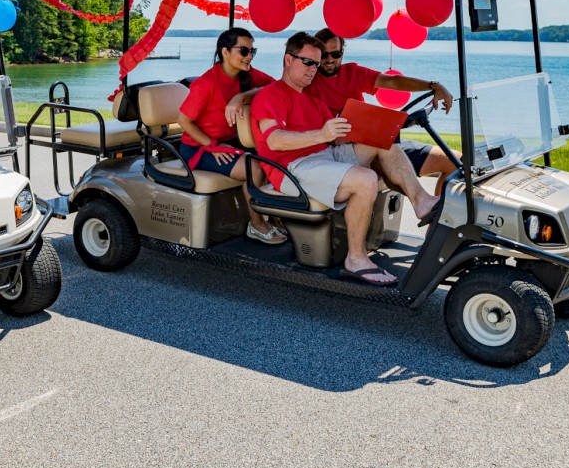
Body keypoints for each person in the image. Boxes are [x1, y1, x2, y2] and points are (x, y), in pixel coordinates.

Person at [250, 32, 441, 287]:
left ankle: (422, 201)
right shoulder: (272, 95)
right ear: (288, 59)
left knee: (382, 140)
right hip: (291, 168)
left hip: (322, 157)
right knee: (366, 179)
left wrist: (378, 126)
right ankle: (356, 259)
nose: (313, 69)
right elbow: (274, 140)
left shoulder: (310, 99)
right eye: (308, 62)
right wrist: (321, 134)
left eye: (316, 65)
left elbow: (334, 139)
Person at [308, 28, 459, 193]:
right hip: (349, 152)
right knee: (386, 157)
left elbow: (392, 82)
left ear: (342, 53)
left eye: (335, 54)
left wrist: (434, 86)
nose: (329, 60)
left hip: (378, 143)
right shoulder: (306, 82)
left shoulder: (352, 72)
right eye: (324, 55)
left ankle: (439, 216)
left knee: (455, 160)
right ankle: (422, 201)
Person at [177, 28, 285, 245]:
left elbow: (276, 86)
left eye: (252, 50)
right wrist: (212, 146)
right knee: (253, 168)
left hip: (230, 143)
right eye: (244, 51)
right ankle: (256, 224)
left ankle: (272, 215)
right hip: (199, 147)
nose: (249, 56)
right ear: (225, 52)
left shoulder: (248, 75)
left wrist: (241, 96)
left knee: (274, 157)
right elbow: (183, 121)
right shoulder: (206, 84)